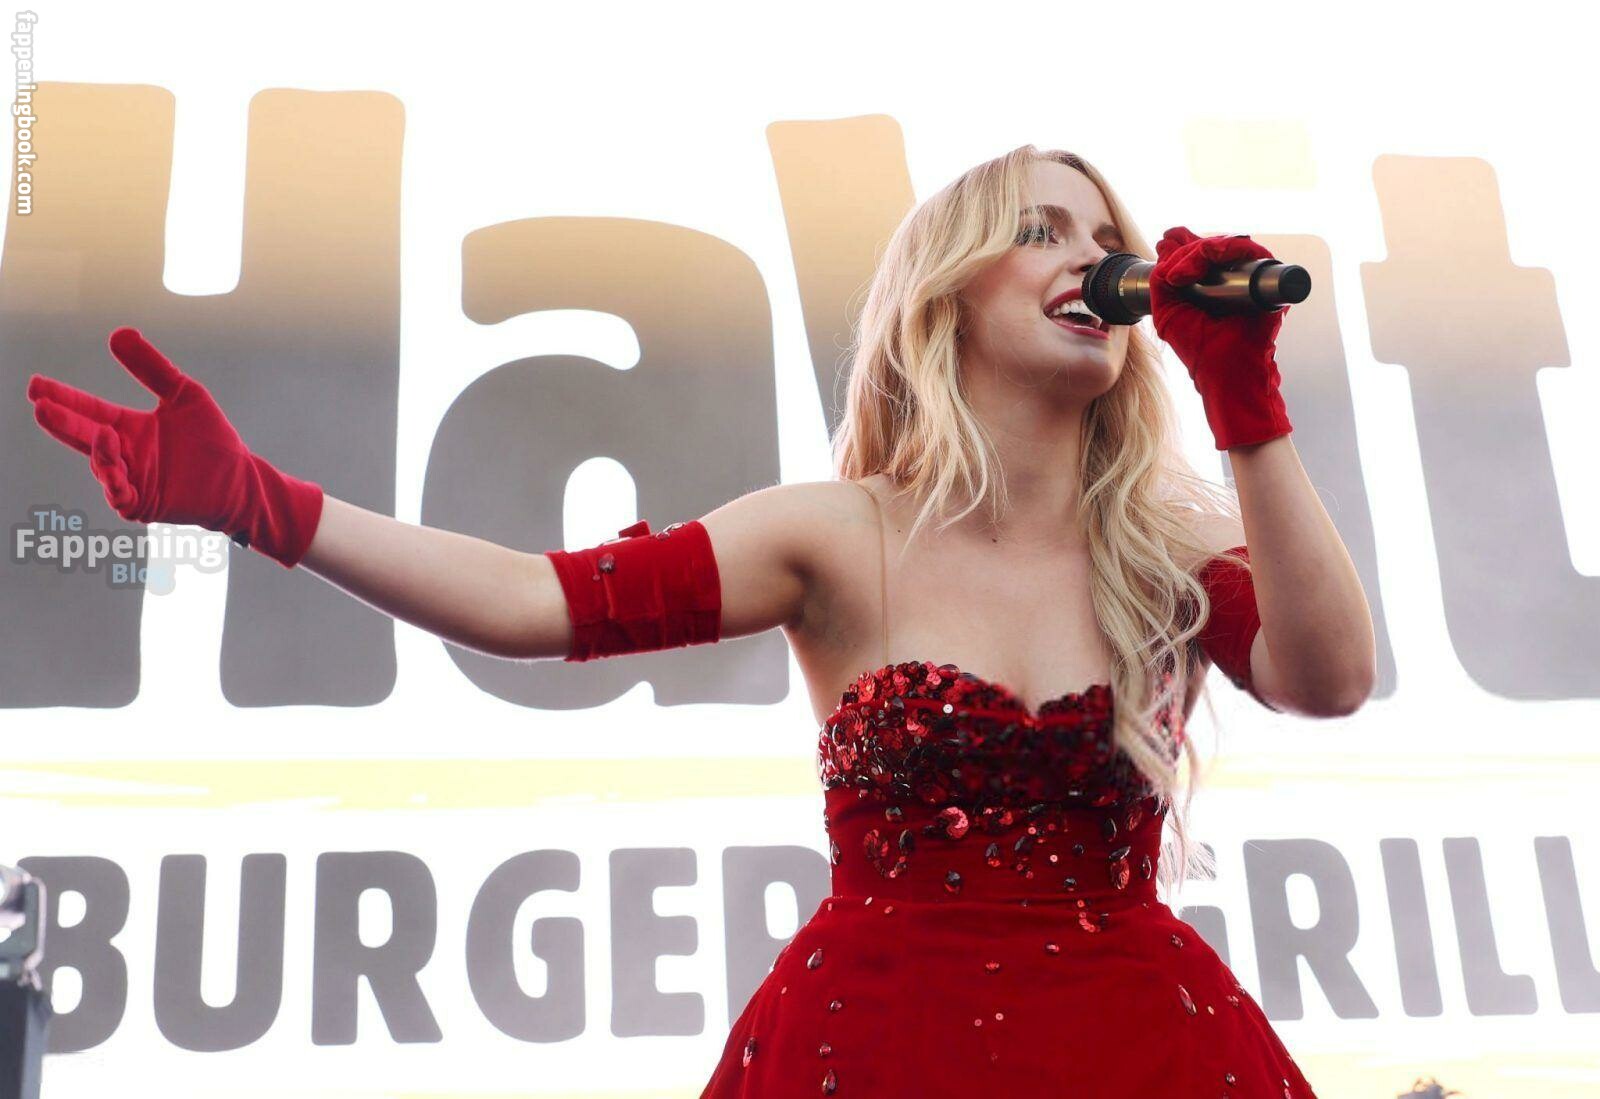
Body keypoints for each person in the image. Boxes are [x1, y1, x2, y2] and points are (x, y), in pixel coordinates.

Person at [25, 144, 1375, 1096]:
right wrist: (260, 502)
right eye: (1041, 230)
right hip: (882, 1047)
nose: (1092, 259)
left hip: (1142, 1047)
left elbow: (1329, 678)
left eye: (1104, 238)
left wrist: (1245, 402)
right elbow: (531, 602)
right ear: (947, 294)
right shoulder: (834, 535)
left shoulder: (1167, 548)